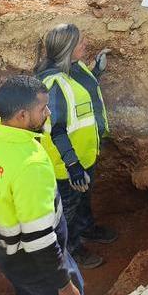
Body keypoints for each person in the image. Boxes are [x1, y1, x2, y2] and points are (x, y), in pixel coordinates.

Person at [0, 75, 85, 295]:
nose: (48, 112)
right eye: (42, 108)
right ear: (22, 115)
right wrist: (64, 287)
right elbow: (40, 239)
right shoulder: (31, 165)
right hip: (36, 264)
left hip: (6, 251)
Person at [34, 23, 117, 271]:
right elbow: (57, 129)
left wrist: (96, 72)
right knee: (67, 209)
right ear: (68, 49)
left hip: (85, 153)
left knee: (83, 198)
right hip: (66, 164)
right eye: (81, 43)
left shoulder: (74, 67)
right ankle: (71, 249)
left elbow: (80, 94)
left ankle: (87, 228)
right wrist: (72, 165)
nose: (85, 45)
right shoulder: (53, 85)